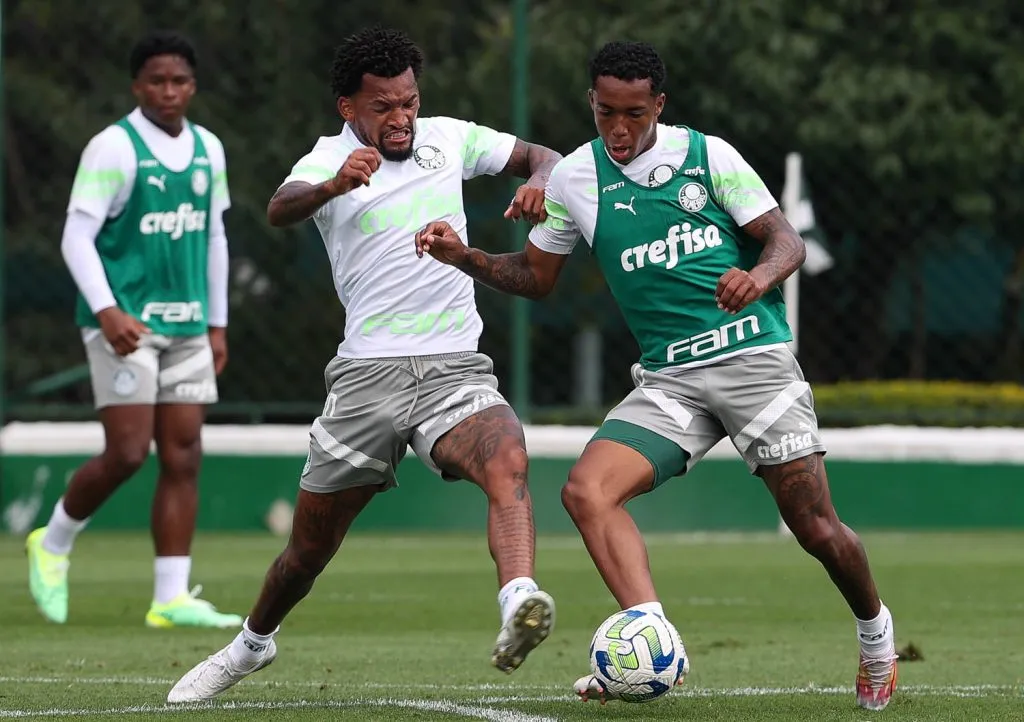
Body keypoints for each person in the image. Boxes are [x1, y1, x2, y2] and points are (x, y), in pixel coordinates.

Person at [414, 41, 898, 712]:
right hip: (670, 380)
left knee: (815, 526)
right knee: (586, 493)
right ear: (592, 102)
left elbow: (787, 242)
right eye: (606, 111)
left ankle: (877, 639)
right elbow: (536, 277)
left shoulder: (710, 157)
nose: (619, 128)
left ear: (659, 106)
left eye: (634, 114)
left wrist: (757, 277)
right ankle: (653, 643)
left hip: (751, 359)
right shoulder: (574, 179)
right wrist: (462, 255)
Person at [166, 26, 561, 703]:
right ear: (349, 108)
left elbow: (543, 155)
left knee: (507, 459)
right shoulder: (326, 158)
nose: (402, 117)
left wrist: (543, 180)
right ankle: (251, 645)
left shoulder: (450, 137)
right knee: (307, 553)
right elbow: (278, 208)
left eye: (409, 101)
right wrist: (330, 185)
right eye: (384, 106)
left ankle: (518, 601)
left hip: (452, 367)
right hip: (366, 379)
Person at [25, 31, 240, 630]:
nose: (169, 92)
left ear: (193, 86)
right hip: (125, 325)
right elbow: (76, 235)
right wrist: (106, 310)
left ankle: (169, 598)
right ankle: (54, 541)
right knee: (126, 451)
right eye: (156, 81)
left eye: (180, 81)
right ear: (136, 85)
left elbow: (216, 238)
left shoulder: (208, 149)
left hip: (190, 325)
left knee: (183, 454)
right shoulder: (112, 148)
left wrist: (217, 322)